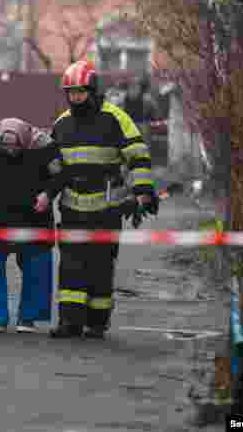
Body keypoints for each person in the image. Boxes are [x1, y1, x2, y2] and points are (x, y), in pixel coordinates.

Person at [46, 59, 157, 340]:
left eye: (81, 92)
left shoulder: (116, 118)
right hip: (72, 207)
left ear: (93, 90)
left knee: (100, 265)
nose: (76, 98)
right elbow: (52, 165)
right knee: (70, 265)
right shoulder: (62, 124)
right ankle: (69, 321)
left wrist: (143, 191)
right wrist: (44, 193)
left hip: (107, 208)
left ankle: (96, 323)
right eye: (71, 93)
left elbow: (138, 155)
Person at [0, 118, 65, 334]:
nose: (10, 151)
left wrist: (48, 194)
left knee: (37, 266)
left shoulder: (44, 147)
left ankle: (28, 318)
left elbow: (61, 175)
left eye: (16, 147)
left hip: (33, 217)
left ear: (26, 142)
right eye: (5, 146)